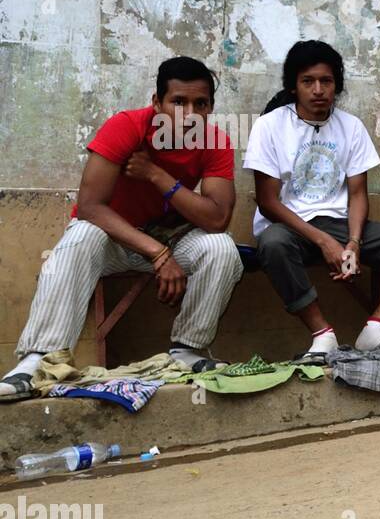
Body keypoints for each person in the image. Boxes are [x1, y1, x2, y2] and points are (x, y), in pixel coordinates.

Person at [0, 57, 242, 400]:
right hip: (112, 241)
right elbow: (90, 207)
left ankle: (188, 350)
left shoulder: (214, 141)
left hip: (171, 242)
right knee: (82, 234)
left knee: (221, 247)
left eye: (200, 104)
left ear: (211, 108)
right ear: (156, 103)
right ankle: (37, 363)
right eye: (178, 102)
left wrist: (157, 176)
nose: (189, 114)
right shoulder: (126, 126)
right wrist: (157, 253)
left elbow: (217, 218)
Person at [245, 40, 380, 359]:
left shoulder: (350, 126)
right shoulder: (270, 126)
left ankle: (375, 328)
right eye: (308, 81)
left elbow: (358, 194)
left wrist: (353, 243)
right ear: (294, 86)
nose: (318, 89)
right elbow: (268, 202)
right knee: (272, 244)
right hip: (291, 227)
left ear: (337, 85)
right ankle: (322, 335)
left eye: (327, 81)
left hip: (340, 226)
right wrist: (325, 242)